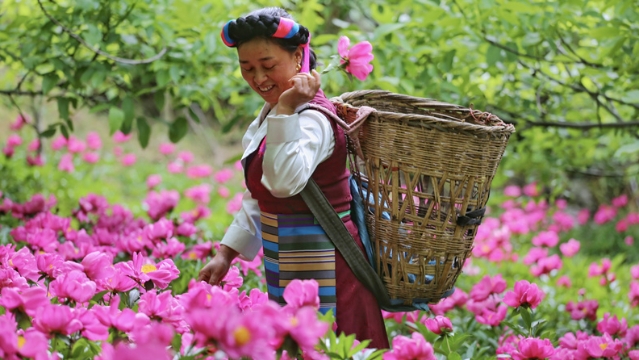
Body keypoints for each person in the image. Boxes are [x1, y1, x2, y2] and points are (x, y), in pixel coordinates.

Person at [197, 7, 389, 349]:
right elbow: (261, 195)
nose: (258, 78)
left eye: (268, 66)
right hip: (287, 265)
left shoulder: (313, 118)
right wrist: (226, 253)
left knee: (336, 348)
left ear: (299, 57)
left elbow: (284, 182)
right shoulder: (270, 117)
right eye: (247, 68)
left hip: (333, 271)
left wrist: (286, 110)